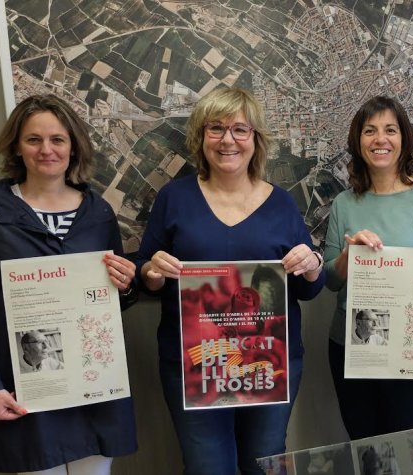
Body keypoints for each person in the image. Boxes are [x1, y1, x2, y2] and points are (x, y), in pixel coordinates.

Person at [137, 87, 324, 475]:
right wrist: (151, 272)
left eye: (240, 129)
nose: (228, 140)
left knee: (265, 464)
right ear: (200, 137)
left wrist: (311, 262)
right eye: (216, 128)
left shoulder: (282, 204)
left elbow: (308, 288)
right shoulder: (174, 198)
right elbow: (146, 277)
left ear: (256, 139)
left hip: (269, 361)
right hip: (195, 363)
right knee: (208, 468)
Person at [0, 94, 138, 474]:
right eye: (33, 139)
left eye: (58, 139)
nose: (46, 150)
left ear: (73, 147)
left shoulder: (98, 212)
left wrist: (126, 286)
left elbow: (108, 304)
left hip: (92, 392)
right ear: (17, 148)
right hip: (24, 391)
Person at [323, 96, 413, 439]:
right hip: (354, 347)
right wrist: (349, 253)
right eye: (370, 131)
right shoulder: (344, 204)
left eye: (390, 130)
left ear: (404, 139)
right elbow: (329, 280)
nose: (380, 139)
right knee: (367, 450)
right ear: (358, 141)